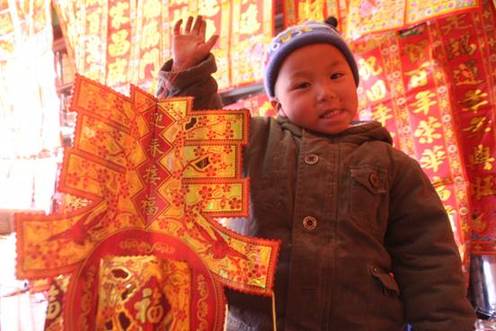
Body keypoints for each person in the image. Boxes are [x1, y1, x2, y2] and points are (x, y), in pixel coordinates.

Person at [156, 15, 476, 331]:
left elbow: (431, 266)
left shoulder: (395, 166)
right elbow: (190, 138)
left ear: (355, 81)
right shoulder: (255, 138)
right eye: (303, 84)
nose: (325, 92)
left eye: (336, 75)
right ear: (276, 102)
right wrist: (187, 75)